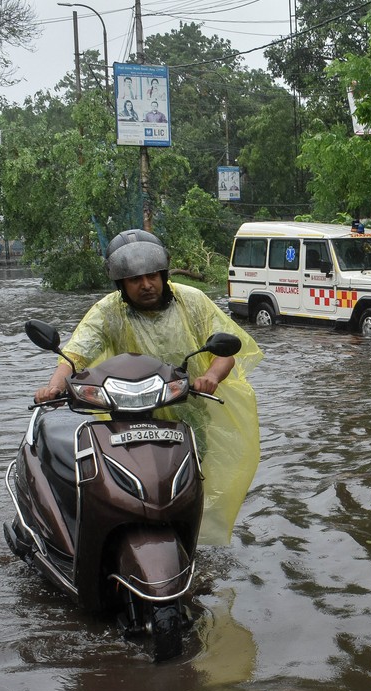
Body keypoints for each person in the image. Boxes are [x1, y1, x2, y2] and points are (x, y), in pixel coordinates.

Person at [34, 229, 264, 544]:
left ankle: (190, 545)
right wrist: (54, 388)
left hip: (190, 411)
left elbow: (225, 351)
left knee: (190, 485)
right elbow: (74, 356)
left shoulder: (192, 301)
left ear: (164, 274)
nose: (146, 285)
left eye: (153, 276)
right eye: (135, 279)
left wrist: (210, 376)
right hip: (127, 415)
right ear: (121, 285)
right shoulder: (107, 312)